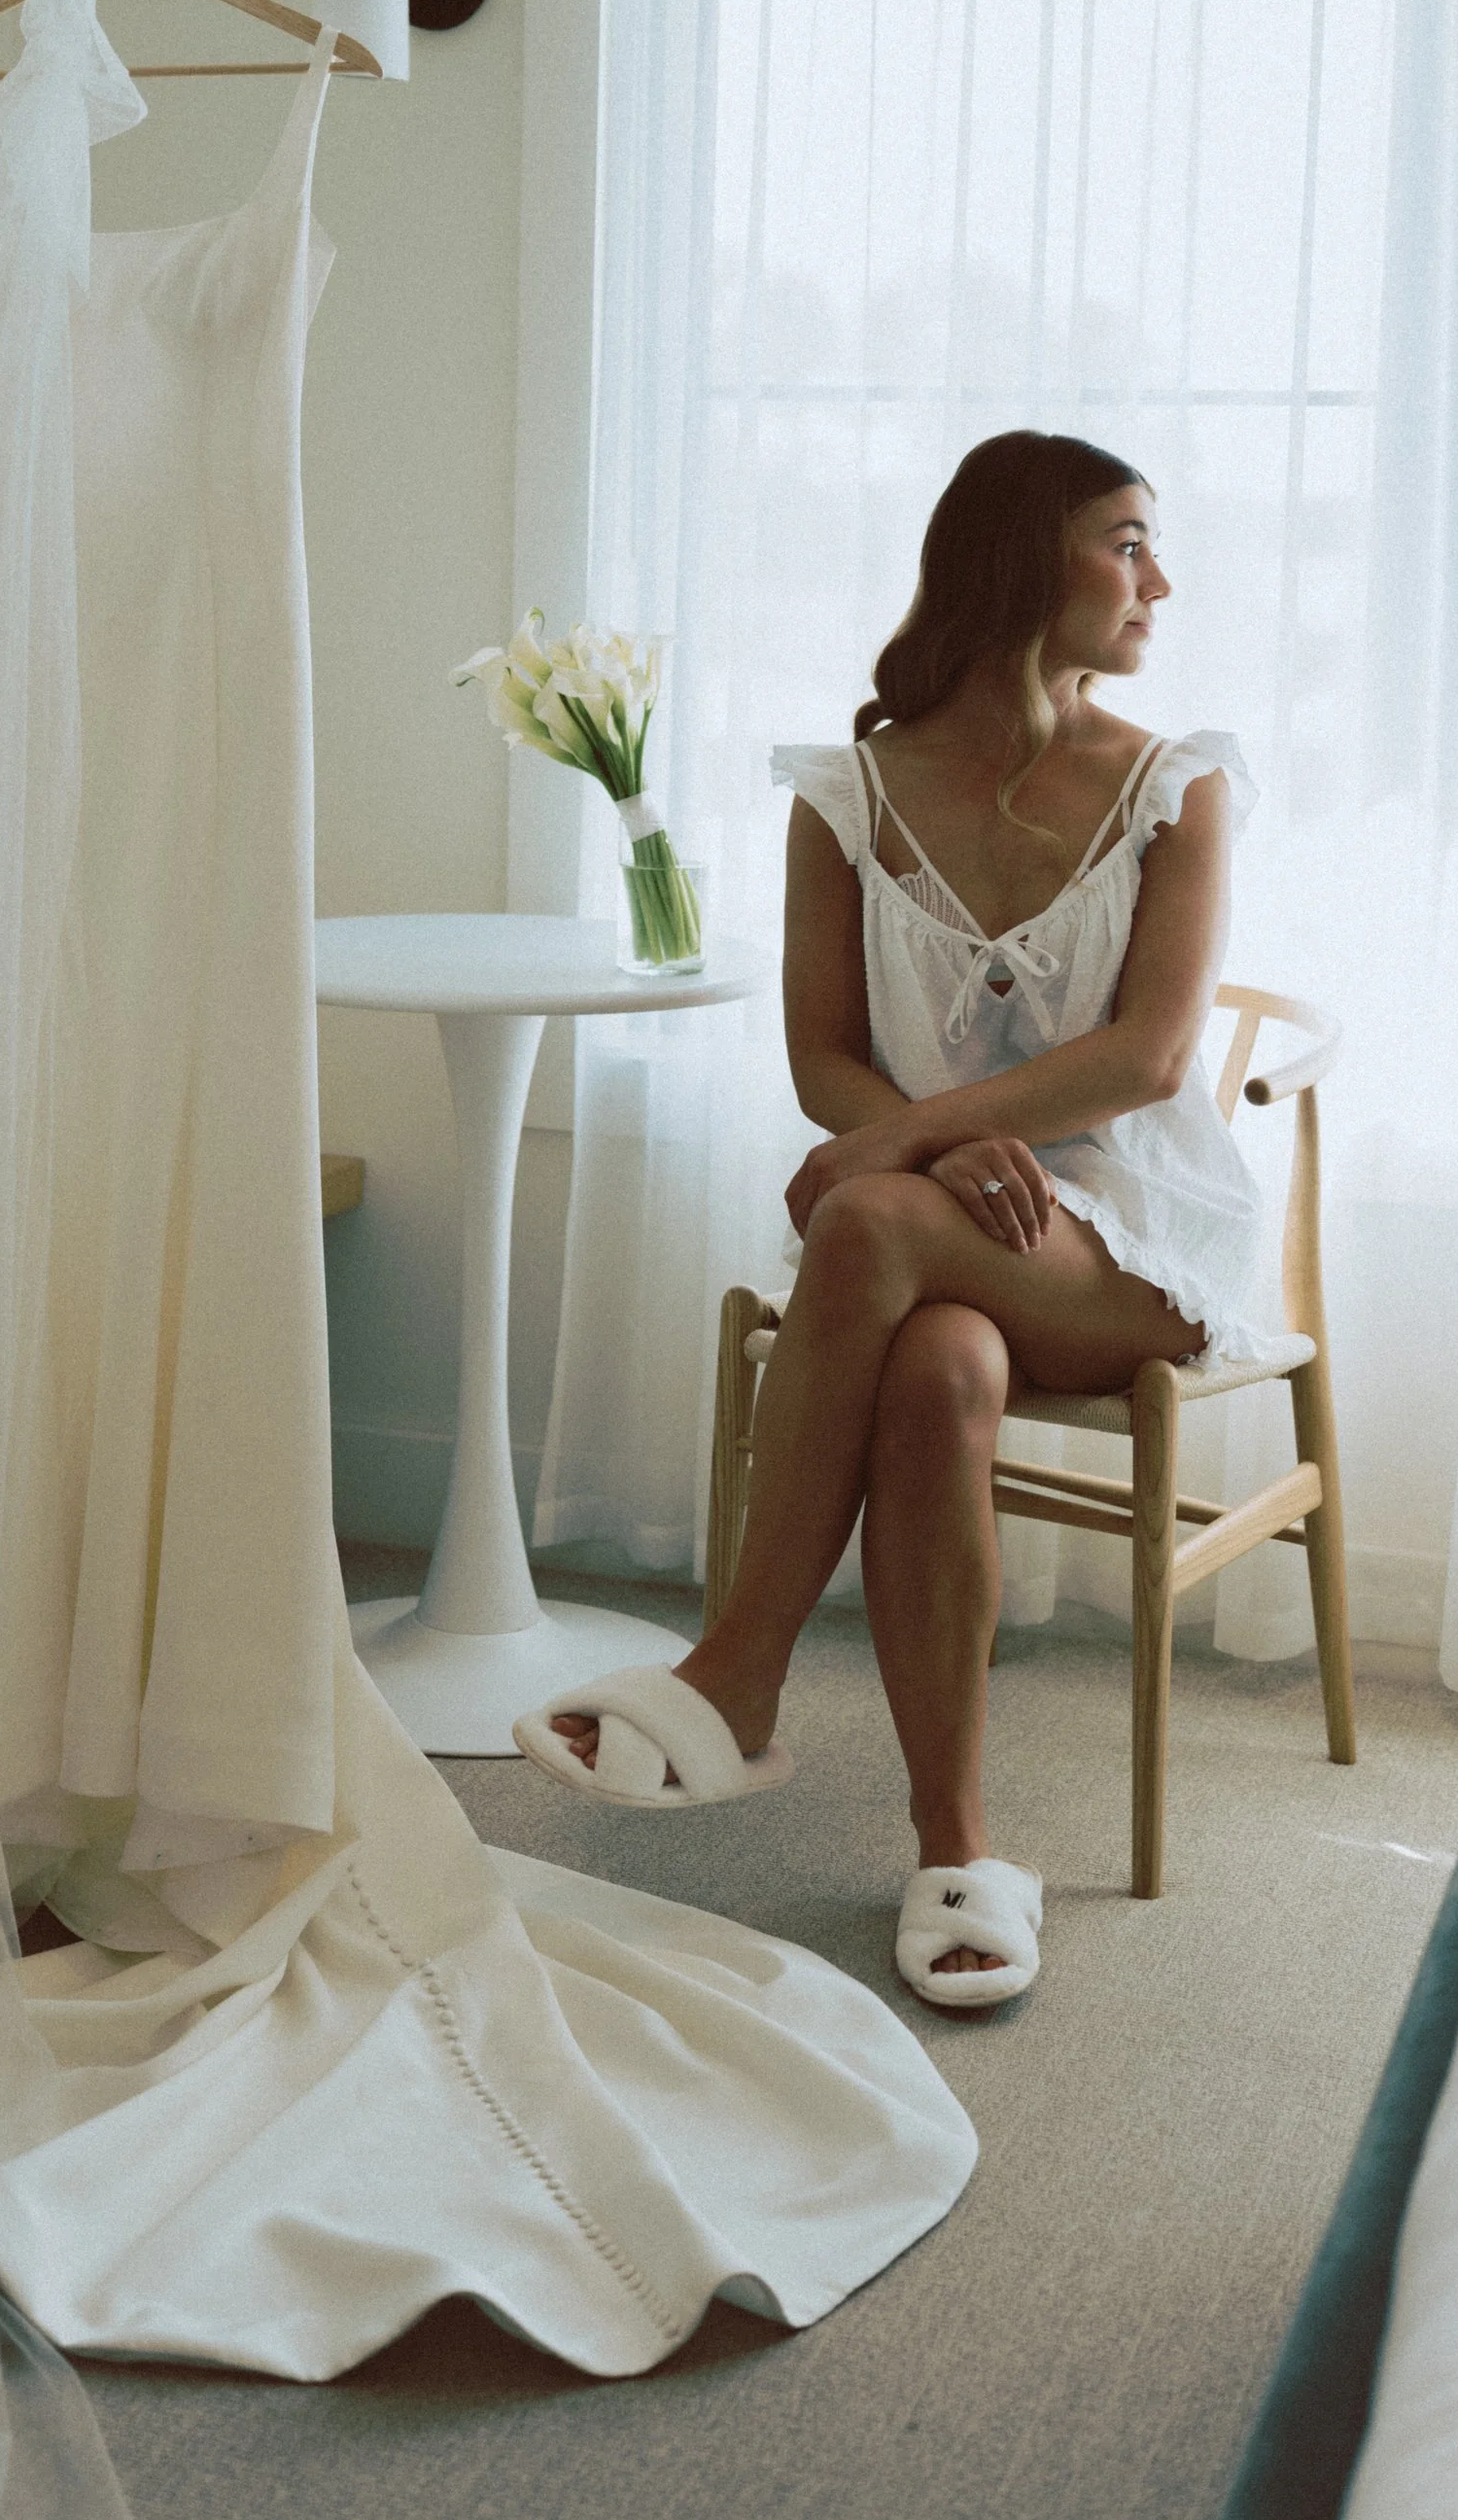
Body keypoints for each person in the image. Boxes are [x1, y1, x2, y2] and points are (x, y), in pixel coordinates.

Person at [513, 431, 1271, 2013]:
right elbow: (822, 1062)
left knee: (858, 1232)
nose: (1160, 580)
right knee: (933, 1376)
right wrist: (929, 1157)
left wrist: (921, 1148)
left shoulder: (1174, 787)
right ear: (1018, 560)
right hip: (942, 1234)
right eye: (1126, 543)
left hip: (1131, 1242)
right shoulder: (845, 797)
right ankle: (957, 1849)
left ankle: (735, 1675)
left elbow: (1144, 1059)